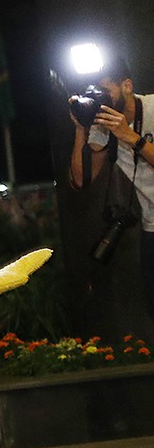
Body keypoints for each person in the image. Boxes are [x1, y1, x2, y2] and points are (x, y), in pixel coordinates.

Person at [68, 58, 153, 317]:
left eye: (106, 92)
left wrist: (132, 137)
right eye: (95, 94)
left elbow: (133, 139)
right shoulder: (102, 126)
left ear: (127, 86)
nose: (101, 100)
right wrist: (81, 129)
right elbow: (81, 180)